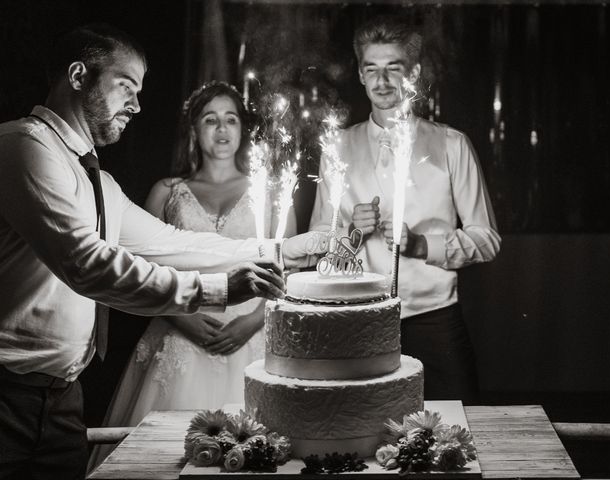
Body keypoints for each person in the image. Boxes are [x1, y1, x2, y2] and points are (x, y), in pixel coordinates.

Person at [0, 24, 322, 480]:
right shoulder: (23, 147)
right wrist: (216, 289)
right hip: (10, 394)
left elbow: (171, 243)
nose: (136, 104)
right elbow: (88, 265)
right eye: (125, 86)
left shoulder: (99, 182)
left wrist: (283, 250)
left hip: (62, 395)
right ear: (78, 76)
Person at [87, 80, 297, 471]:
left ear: (242, 129)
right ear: (195, 130)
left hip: (251, 337)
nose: (221, 129)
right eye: (210, 119)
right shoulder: (167, 191)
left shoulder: (271, 192)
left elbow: (288, 270)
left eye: (231, 119)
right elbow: (139, 267)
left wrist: (251, 323)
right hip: (180, 331)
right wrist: (183, 319)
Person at [309, 15, 501, 404]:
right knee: (360, 434)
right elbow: (315, 247)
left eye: (393, 69)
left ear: (412, 73)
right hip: (357, 318)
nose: (381, 82)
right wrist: (350, 234)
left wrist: (421, 246)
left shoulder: (451, 145)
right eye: (371, 69)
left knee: (455, 434)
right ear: (361, 76)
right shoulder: (337, 149)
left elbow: (487, 239)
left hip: (435, 320)